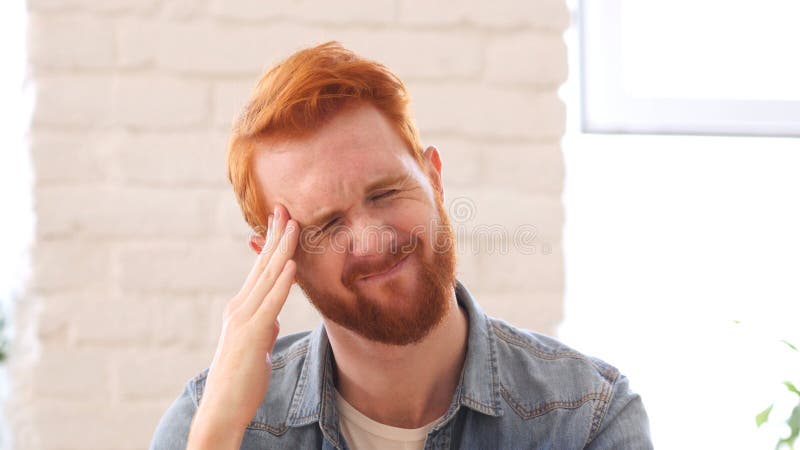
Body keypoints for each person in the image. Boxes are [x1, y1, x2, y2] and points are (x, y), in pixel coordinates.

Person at [149, 41, 652, 450]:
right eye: (326, 225)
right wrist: (218, 435)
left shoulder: (588, 417)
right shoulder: (212, 422)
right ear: (280, 261)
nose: (372, 240)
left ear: (434, 181)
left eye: (386, 193)